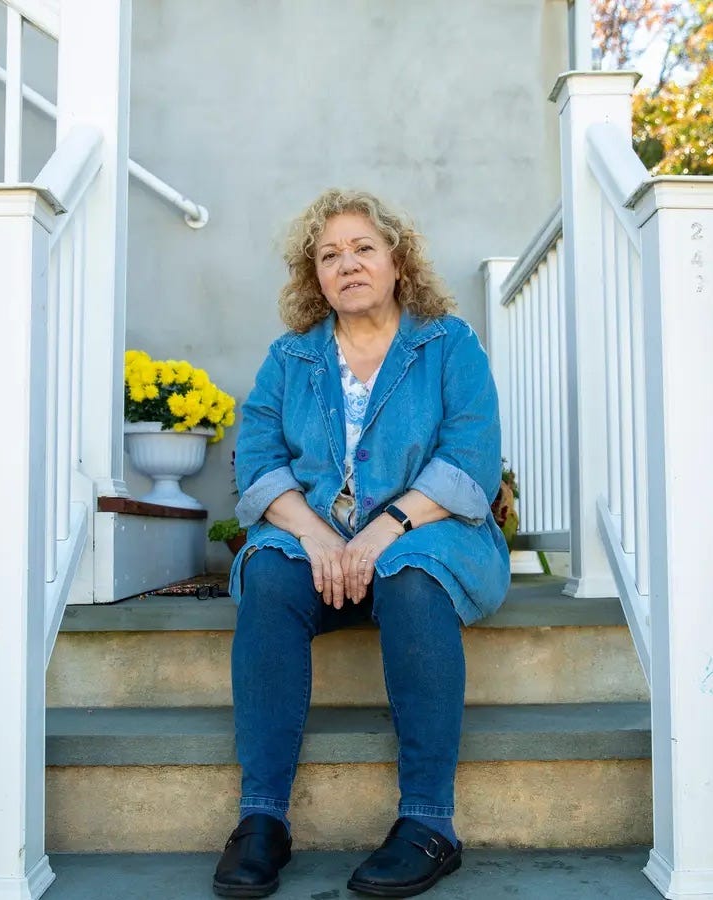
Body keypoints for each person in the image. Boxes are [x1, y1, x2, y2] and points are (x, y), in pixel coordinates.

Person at [212, 189, 510, 899]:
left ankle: (429, 823)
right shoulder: (291, 357)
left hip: (431, 537)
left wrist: (383, 531)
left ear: (398, 260)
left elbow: (469, 456)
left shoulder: (448, 345)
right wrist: (315, 535)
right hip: (320, 548)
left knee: (410, 577)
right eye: (329, 255)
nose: (347, 264)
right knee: (270, 576)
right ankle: (262, 822)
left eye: (362, 248)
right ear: (313, 276)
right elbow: (256, 459)